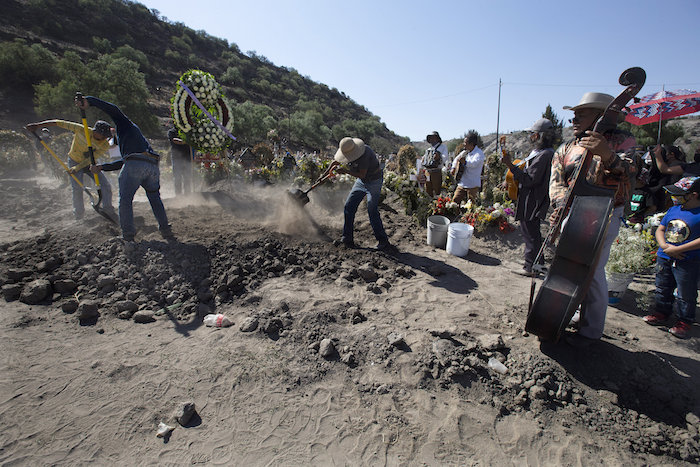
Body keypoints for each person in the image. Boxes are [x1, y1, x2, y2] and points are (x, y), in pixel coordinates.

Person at [549, 92, 632, 347]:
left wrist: (607, 154)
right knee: (567, 268)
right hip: (572, 213)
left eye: (581, 114)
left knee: (593, 272)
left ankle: (591, 330)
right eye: (573, 114)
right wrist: (561, 204)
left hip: (605, 214)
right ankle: (566, 312)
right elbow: (556, 182)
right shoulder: (566, 147)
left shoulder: (622, 141)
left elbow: (630, 172)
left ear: (600, 115)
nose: (574, 119)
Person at [77, 95, 173, 244]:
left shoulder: (124, 124)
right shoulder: (135, 138)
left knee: (125, 200)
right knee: (154, 198)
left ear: (112, 129)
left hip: (136, 165)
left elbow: (113, 109)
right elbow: (124, 162)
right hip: (152, 165)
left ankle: (128, 235)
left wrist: (90, 101)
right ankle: (165, 229)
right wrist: (102, 167)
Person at [642, 176, 700, 339]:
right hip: (665, 255)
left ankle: (684, 320)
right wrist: (665, 246)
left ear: (694, 195)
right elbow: (661, 229)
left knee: (685, 292)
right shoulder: (674, 209)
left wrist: (679, 249)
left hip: (688, 260)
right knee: (662, 286)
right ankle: (661, 312)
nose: (674, 197)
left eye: (679, 194)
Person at [26, 118, 116, 220]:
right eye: (104, 135)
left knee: (105, 184)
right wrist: (37, 125)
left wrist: (77, 168)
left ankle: (108, 210)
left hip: (89, 163)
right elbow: (59, 123)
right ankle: (79, 215)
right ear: (96, 132)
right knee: (77, 188)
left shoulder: (104, 144)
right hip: (74, 160)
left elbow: (92, 158)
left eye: (106, 137)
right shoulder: (82, 130)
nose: (105, 138)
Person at [322, 137, 395, 252]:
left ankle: (383, 242)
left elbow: (362, 174)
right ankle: (347, 238)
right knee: (349, 206)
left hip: (374, 180)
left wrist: (344, 171)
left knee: (371, 208)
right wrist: (323, 176)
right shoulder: (348, 150)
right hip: (362, 182)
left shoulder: (365, 153)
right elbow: (334, 163)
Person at [501, 118, 555, 277]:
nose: (530, 137)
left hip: (532, 199)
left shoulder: (544, 155)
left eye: (532, 134)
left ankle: (530, 267)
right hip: (531, 198)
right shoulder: (543, 153)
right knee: (533, 234)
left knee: (530, 234)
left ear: (539, 136)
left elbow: (530, 179)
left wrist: (510, 166)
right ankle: (537, 264)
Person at [450, 130, 485, 204]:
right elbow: (456, 159)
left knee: (471, 205)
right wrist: (453, 168)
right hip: (462, 182)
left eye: (465, 143)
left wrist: (465, 162)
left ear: (471, 144)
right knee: (455, 201)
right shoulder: (465, 152)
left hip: (472, 184)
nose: (464, 144)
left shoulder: (479, 154)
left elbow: (474, 163)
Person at [421, 131, 448, 197]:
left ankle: (438, 203)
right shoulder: (429, 149)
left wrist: (439, 157)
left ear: (437, 138)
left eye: (433, 137)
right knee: (428, 189)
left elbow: (445, 157)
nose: (431, 139)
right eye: (430, 138)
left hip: (437, 171)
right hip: (428, 171)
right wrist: (423, 160)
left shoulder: (443, 147)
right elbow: (424, 159)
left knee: (437, 190)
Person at [168, 126, 193, 195]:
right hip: (177, 158)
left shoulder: (188, 132)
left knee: (187, 177)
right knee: (177, 177)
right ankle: (178, 195)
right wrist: (185, 142)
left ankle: (187, 194)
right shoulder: (172, 132)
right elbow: (175, 140)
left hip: (187, 157)